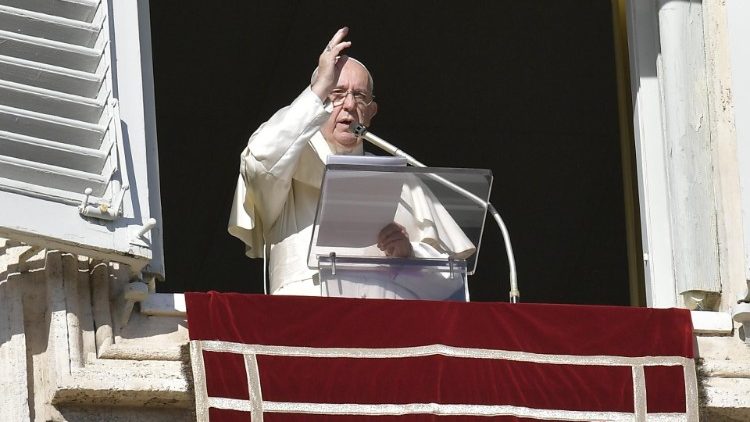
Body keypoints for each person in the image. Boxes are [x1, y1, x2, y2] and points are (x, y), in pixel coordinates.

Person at [229, 28, 474, 299]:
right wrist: (319, 87)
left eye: (360, 96)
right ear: (316, 101)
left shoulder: (405, 182)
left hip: (389, 324)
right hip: (307, 316)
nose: (348, 104)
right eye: (336, 92)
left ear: (371, 112)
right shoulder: (289, 165)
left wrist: (410, 254)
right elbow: (259, 159)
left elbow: (452, 282)